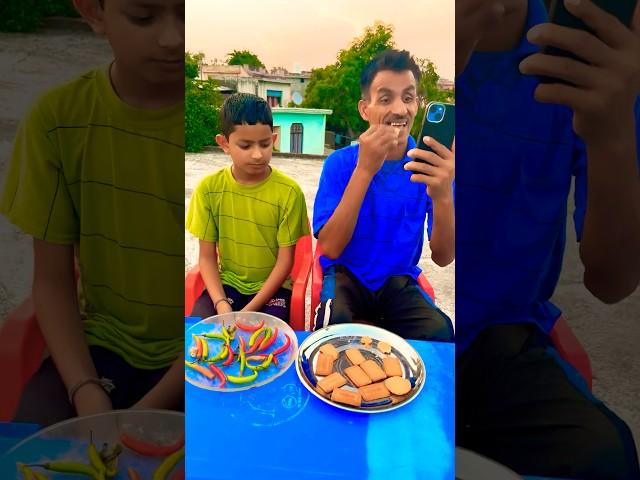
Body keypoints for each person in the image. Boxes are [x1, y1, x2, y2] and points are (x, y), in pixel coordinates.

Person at [455, 0, 640, 478]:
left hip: (498, 336)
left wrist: (612, 135)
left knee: (605, 456)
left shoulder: (579, 55)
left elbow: (613, 281)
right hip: (407, 324)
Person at [0, 0, 185, 426]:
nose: (173, 39)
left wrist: (143, 414)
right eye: (143, 17)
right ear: (93, 12)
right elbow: (52, 281)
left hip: (205, 351)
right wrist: (87, 393)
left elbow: (221, 288)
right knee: (32, 451)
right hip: (100, 351)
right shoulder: (57, 122)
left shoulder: (223, 139)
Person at [312, 49, 455, 341]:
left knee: (441, 332)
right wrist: (364, 170)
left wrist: (442, 195)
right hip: (347, 275)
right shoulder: (340, 163)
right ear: (365, 109)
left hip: (397, 281)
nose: (400, 110)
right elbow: (330, 249)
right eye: (386, 99)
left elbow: (443, 257)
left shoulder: (429, 168)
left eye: (408, 97)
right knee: (331, 329)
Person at [186, 93, 309, 323]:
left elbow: (285, 262)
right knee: (199, 333)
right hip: (227, 286)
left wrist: (247, 312)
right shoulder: (208, 190)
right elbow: (207, 258)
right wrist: (222, 304)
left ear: (273, 139)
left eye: (265, 144)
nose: (257, 154)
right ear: (224, 143)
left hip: (273, 291)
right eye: (245, 145)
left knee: (267, 338)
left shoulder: (289, 192)